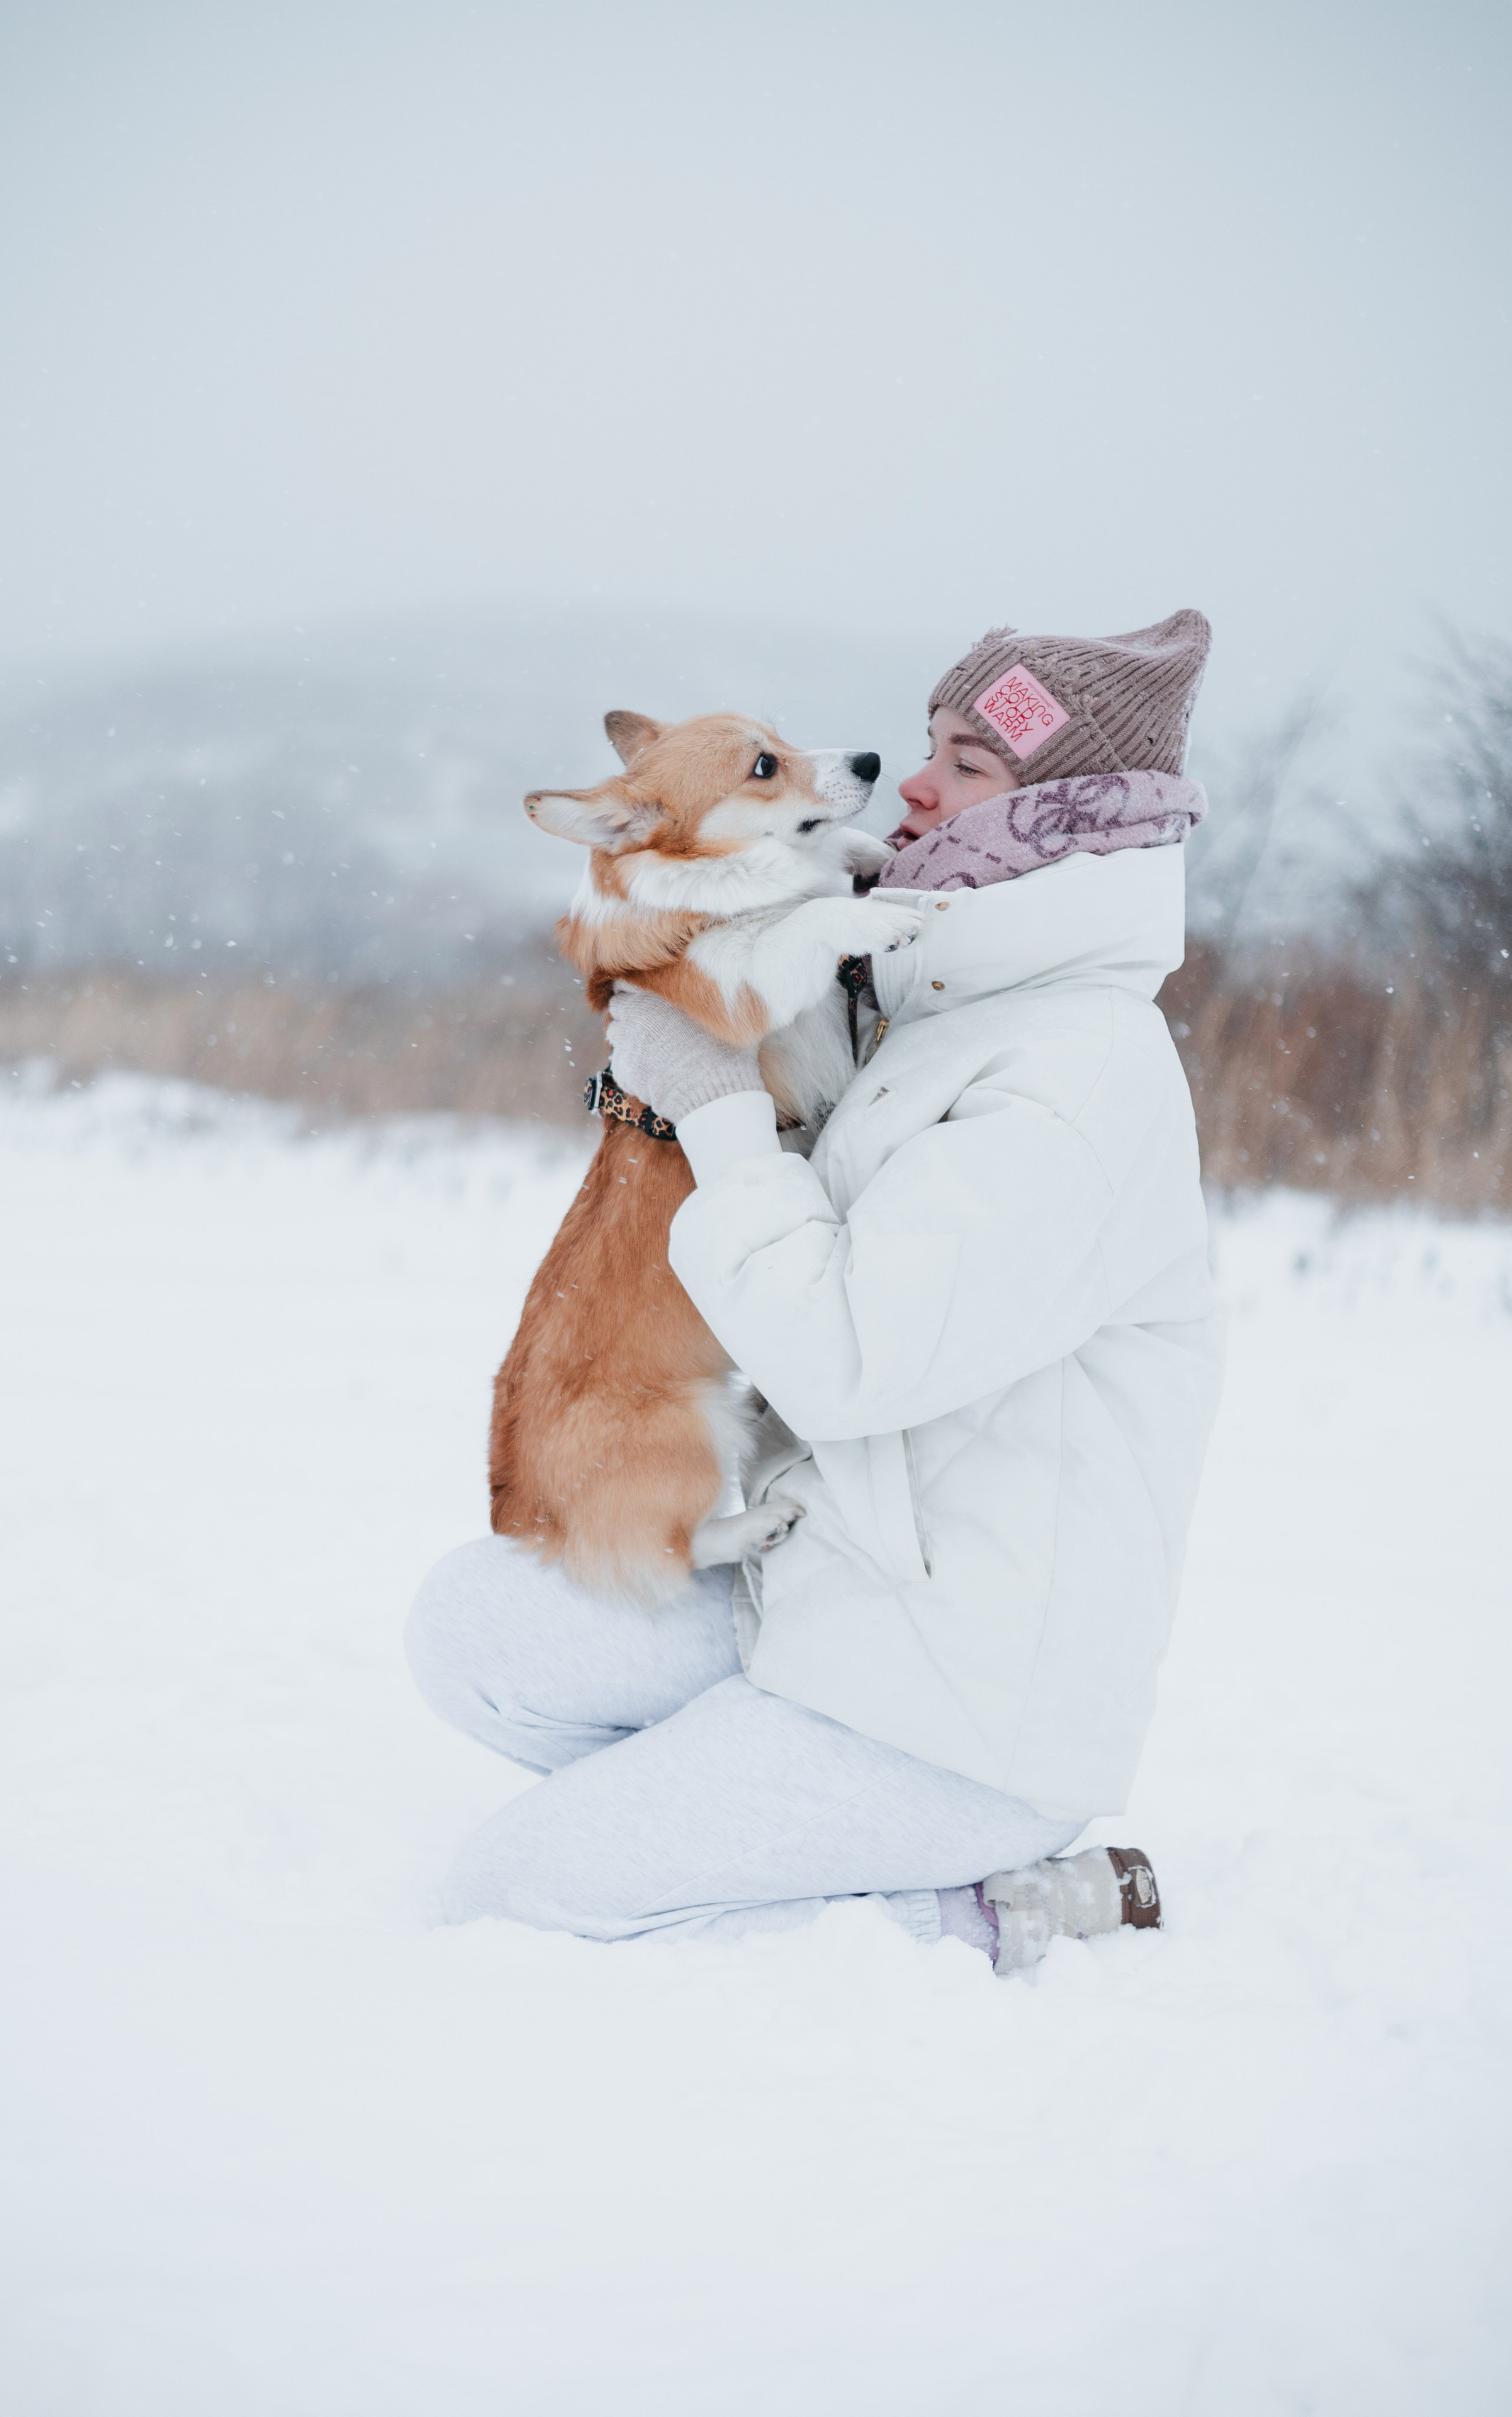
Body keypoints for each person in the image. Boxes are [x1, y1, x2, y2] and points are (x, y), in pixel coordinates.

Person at [404, 611, 1225, 1975]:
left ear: (1065, 817)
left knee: (513, 1893)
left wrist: (718, 1106)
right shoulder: (932, 1000)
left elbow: (843, 1361)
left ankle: (987, 1901)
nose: (917, 786)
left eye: (968, 764)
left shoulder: (1074, 1078)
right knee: (473, 1627)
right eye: (928, 748)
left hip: (955, 1710)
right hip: (824, 1599)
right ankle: (724, 1828)